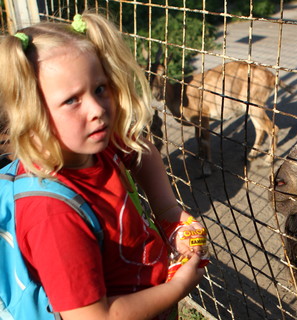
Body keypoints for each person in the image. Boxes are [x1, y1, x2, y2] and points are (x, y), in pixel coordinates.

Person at [0, 12, 206, 319]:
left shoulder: (87, 145)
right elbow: (95, 316)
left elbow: (140, 150)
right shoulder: (52, 213)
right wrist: (176, 288)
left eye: (99, 89)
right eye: (72, 100)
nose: (97, 109)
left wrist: (167, 211)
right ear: (30, 114)